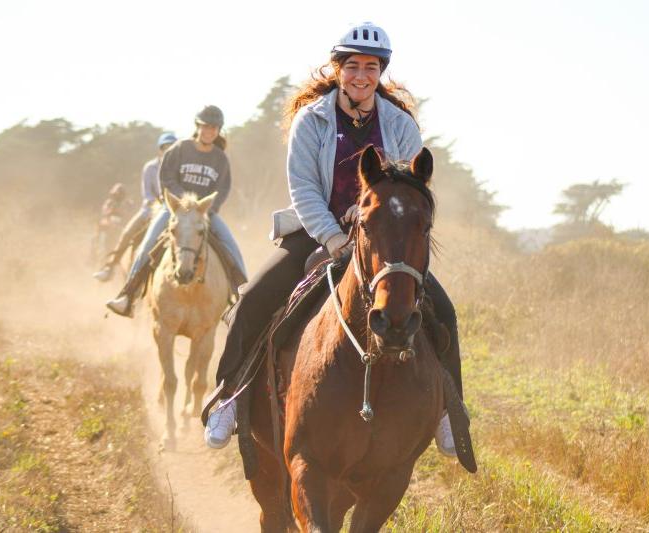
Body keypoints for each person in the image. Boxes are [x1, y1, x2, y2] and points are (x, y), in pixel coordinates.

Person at [205, 22, 465, 457]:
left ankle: (448, 414)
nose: (361, 75)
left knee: (444, 311)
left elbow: (406, 186)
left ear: (380, 72)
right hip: (315, 234)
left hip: (381, 240)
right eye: (352, 66)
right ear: (338, 68)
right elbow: (303, 189)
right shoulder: (313, 120)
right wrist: (331, 237)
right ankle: (228, 397)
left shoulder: (400, 125)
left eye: (370, 67)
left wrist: (368, 221)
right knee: (253, 300)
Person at [106, 105, 247, 317]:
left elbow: (223, 188)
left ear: (219, 130)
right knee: (148, 243)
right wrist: (183, 202)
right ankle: (127, 296)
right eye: (206, 126)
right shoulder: (179, 149)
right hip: (173, 210)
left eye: (214, 128)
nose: (210, 131)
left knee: (231, 247)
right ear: (198, 127)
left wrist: (208, 209)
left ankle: (242, 300)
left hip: (204, 213)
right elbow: (167, 179)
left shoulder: (220, 158)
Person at [93, 132, 178, 282]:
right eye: (166, 147)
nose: (169, 150)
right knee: (127, 233)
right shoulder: (150, 167)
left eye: (172, 147)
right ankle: (109, 266)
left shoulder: (181, 168)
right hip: (151, 208)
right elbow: (148, 194)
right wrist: (158, 206)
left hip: (176, 209)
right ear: (160, 149)